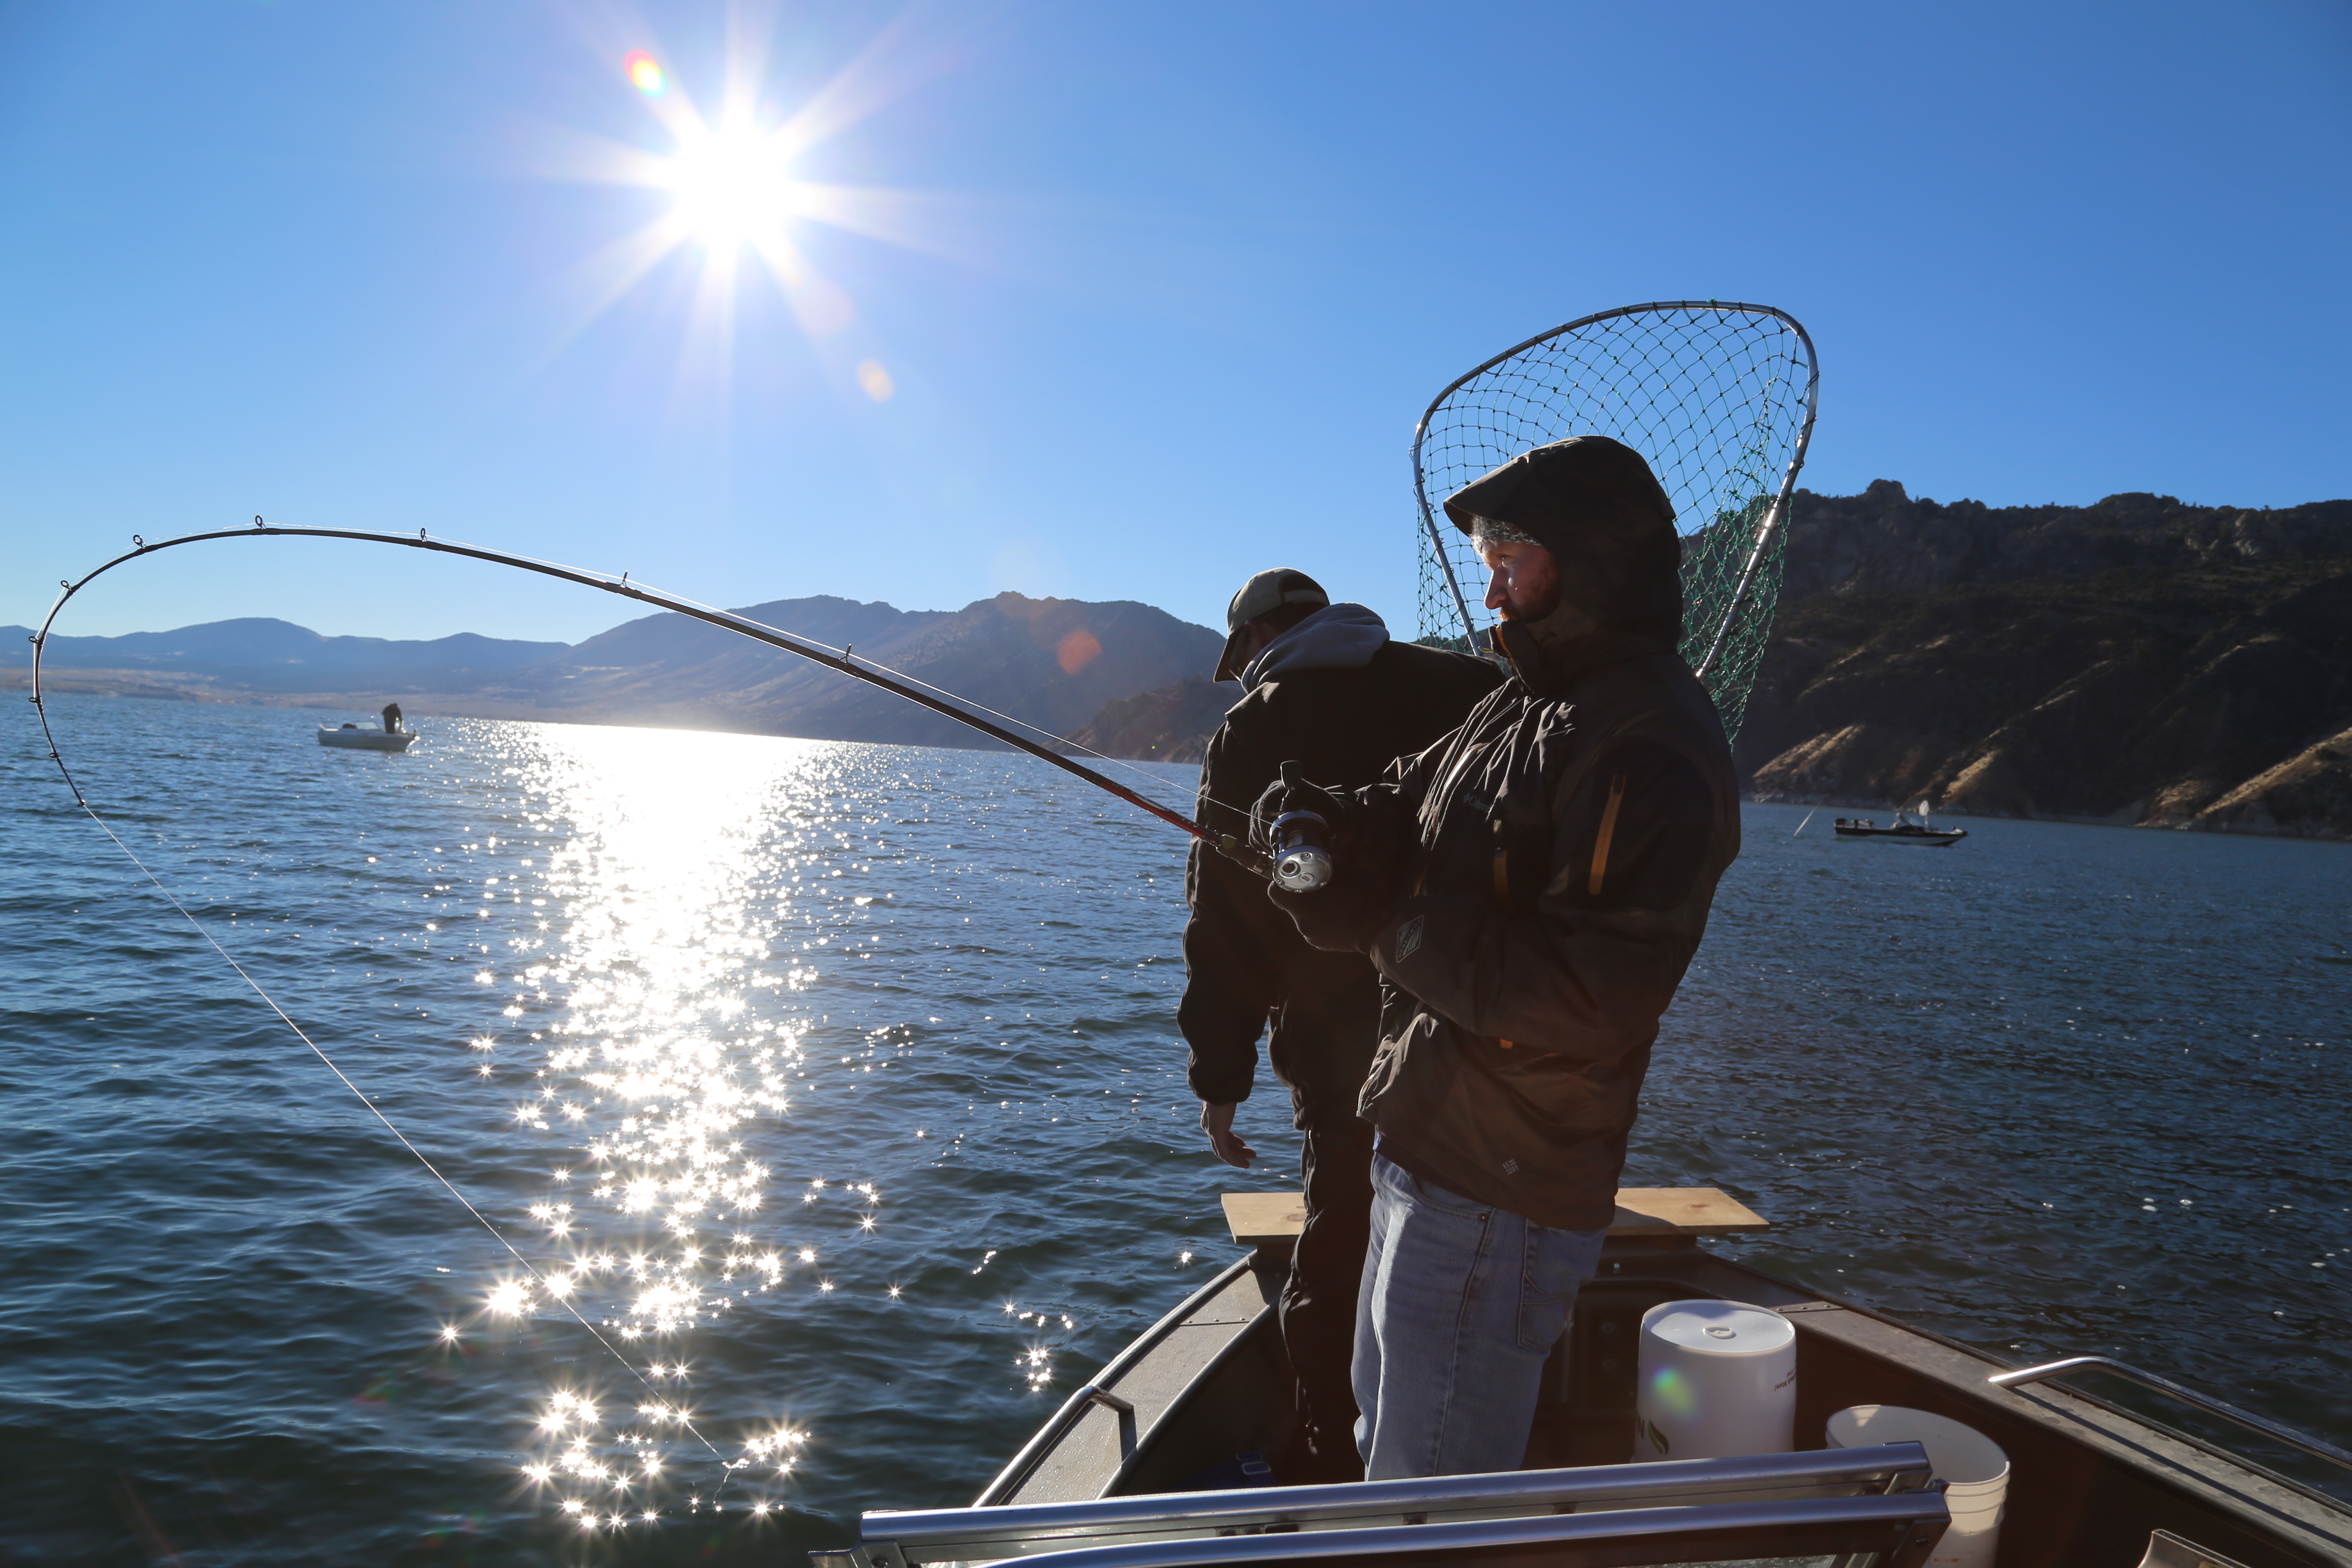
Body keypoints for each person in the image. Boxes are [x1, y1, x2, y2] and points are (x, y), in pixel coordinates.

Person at [1257, 436, 1742, 1480]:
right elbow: (1409, 795)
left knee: (1427, 1504)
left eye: (1511, 562)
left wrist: (1384, 927)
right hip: (1421, 1145)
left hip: (1500, 1196)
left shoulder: (1650, 744)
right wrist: (1326, 821)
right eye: (1488, 563)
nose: (1493, 591)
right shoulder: (1524, 696)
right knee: (1381, 1445)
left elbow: (1588, 998)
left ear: (1590, 564)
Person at [1181, 566, 1500, 1482]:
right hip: (1482, 1028)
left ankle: (1330, 1460)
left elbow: (1227, 923)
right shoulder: (1471, 687)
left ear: (1252, 644)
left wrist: (1221, 1079)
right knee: (1471, 1243)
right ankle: (1478, 1464)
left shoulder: (1255, 725)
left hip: (1343, 1053)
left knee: (1345, 1247)